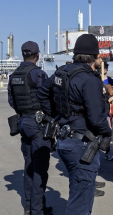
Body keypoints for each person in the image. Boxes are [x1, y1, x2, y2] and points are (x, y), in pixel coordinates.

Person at [37, 34, 112, 215]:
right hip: (82, 145)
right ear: (94, 56)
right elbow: (97, 118)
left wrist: (59, 115)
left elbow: (42, 93)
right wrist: (107, 132)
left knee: (77, 192)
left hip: (65, 140)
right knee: (80, 203)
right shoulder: (90, 79)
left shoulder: (62, 72)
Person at [8, 41, 53, 215]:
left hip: (23, 123)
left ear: (22, 54)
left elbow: (12, 101)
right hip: (37, 124)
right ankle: (37, 210)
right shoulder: (37, 73)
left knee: (29, 167)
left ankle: (29, 208)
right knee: (40, 170)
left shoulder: (14, 74)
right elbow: (48, 98)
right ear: (37, 55)